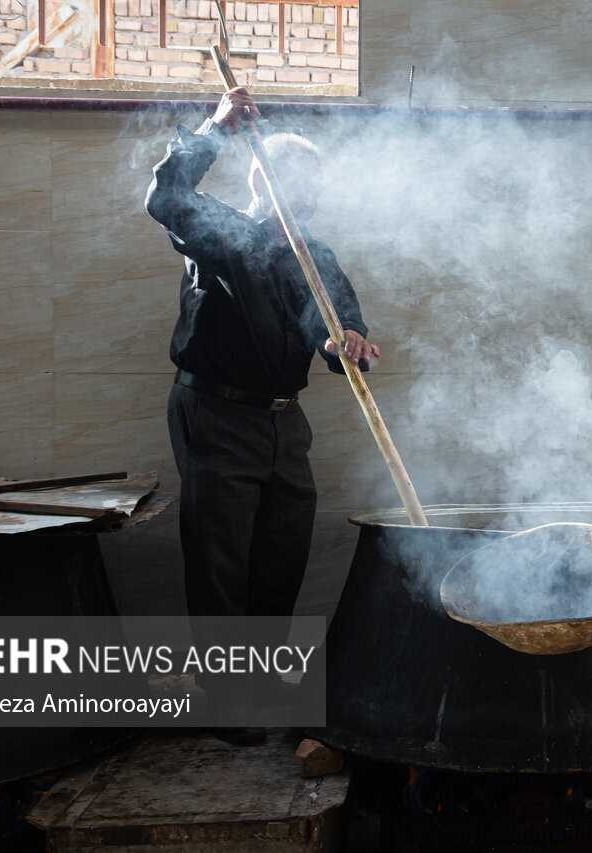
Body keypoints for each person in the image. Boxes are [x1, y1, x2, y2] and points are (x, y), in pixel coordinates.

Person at [145, 88, 380, 746]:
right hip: (216, 413)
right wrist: (215, 129)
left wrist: (348, 346)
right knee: (220, 562)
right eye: (298, 185)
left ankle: (261, 683)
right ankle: (225, 702)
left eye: (316, 188)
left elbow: (341, 327)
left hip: (283, 425)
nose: (310, 199)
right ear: (262, 179)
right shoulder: (222, 234)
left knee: (282, 552)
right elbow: (163, 196)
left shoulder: (317, 255)